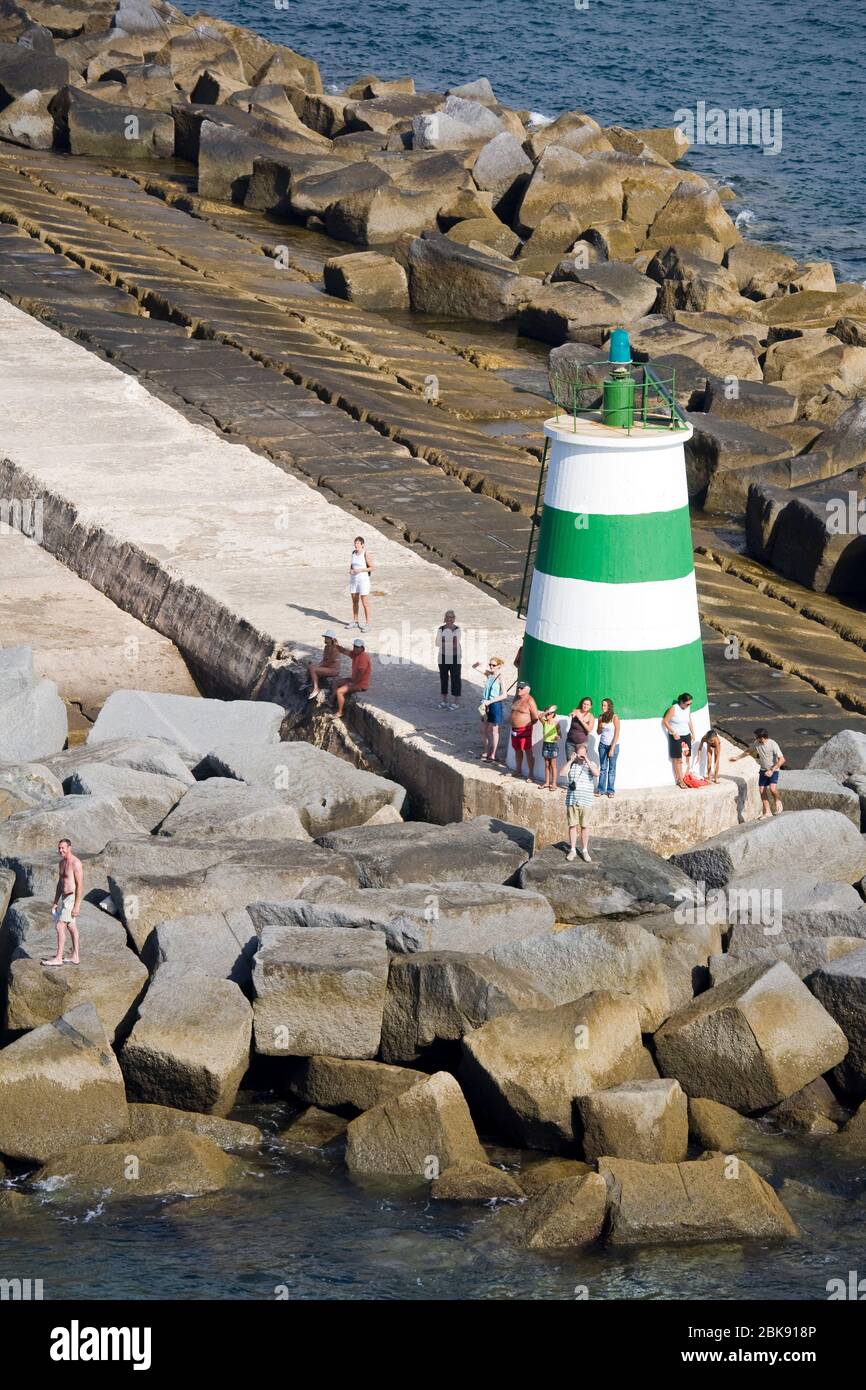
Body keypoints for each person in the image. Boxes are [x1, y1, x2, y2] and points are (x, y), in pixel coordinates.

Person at [42, 838, 83, 966]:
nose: (60, 850)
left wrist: (77, 906)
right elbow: (60, 884)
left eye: (63, 848)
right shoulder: (61, 863)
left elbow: (80, 886)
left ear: (69, 848)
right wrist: (55, 902)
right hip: (64, 898)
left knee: (60, 926)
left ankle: (58, 958)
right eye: (59, 848)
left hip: (72, 898)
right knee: (71, 927)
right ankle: (75, 956)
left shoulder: (75, 863)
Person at [733, 727, 785, 816]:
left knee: (772, 789)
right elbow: (748, 751)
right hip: (763, 770)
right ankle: (768, 812)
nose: (755, 738)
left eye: (756, 737)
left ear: (762, 737)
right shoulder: (756, 743)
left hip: (773, 770)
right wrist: (737, 758)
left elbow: (782, 759)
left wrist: (772, 770)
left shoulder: (773, 744)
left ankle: (778, 800)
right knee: (761, 790)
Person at [564, 744, 599, 862]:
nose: (581, 756)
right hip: (572, 800)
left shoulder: (591, 764)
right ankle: (572, 850)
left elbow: (596, 773)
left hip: (586, 801)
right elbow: (562, 773)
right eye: (579, 754)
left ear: (586, 753)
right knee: (572, 825)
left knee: (584, 826)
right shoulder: (572, 765)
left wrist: (587, 760)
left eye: (583, 754)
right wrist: (571, 760)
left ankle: (584, 850)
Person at [473, 656, 505, 762]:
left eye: (494, 665)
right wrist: (478, 663)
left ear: (499, 666)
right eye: (490, 664)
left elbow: (504, 695)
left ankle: (493, 754)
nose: (491, 666)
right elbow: (474, 667)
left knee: (494, 731)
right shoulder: (488, 674)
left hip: (494, 705)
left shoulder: (500, 678)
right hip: (485, 704)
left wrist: (490, 701)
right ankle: (486, 751)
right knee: (483, 730)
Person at [333, 637, 372, 718]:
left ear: (362, 648)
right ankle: (332, 701)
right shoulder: (355, 654)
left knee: (339, 691)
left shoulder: (363, 657)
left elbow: (361, 673)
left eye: (357, 647)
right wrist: (336, 645)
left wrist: (353, 683)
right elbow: (344, 651)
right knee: (337, 682)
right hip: (354, 680)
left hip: (360, 684)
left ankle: (340, 712)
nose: (355, 648)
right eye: (354, 646)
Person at [663, 692, 695, 788]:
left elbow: (689, 720)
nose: (689, 705)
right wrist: (673, 732)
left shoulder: (687, 708)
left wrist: (693, 733)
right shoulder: (674, 708)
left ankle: (686, 776)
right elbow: (665, 721)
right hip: (676, 736)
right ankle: (680, 780)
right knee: (677, 759)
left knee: (687, 756)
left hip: (686, 735)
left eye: (690, 703)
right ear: (681, 701)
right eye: (688, 703)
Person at [509, 680, 539, 781]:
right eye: (518, 687)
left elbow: (535, 717)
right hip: (514, 729)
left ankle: (531, 774)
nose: (519, 689)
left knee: (528, 751)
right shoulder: (516, 698)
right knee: (517, 749)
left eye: (521, 688)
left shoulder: (530, 701)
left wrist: (527, 726)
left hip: (525, 729)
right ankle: (518, 770)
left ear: (527, 690)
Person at [436, 610, 462, 710]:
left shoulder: (457, 629)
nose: (449, 619)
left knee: (455, 678)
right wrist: (449, 642)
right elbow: (437, 643)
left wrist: (444, 642)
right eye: (448, 616)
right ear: (445, 618)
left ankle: (456, 702)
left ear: (454, 618)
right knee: (443, 677)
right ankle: (444, 700)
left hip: (455, 657)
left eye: (451, 617)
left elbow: (455, 645)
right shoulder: (440, 628)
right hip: (442, 656)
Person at [308, 629, 342, 701]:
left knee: (313, 669)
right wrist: (318, 665)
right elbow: (324, 660)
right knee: (310, 666)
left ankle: (316, 688)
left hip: (334, 670)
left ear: (331, 639)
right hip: (327, 667)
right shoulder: (326, 647)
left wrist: (318, 666)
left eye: (327, 638)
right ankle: (310, 683)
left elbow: (329, 662)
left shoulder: (335, 648)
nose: (325, 639)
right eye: (325, 637)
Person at [596, 697, 620, 797]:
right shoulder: (601, 717)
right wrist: (600, 727)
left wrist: (612, 748)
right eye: (602, 705)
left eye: (605, 705)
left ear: (609, 706)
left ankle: (610, 790)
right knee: (603, 768)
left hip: (613, 745)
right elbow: (598, 732)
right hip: (602, 745)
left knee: (612, 769)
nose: (602, 707)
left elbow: (617, 733)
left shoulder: (614, 717)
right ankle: (601, 789)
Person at [348, 536, 373, 632]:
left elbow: (372, 567)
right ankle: (355, 621)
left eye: (358, 543)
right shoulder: (353, 553)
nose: (356, 545)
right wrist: (351, 570)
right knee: (354, 602)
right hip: (354, 580)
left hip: (363, 581)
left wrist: (361, 570)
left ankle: (368, 624)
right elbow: (352, 565)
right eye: (355, 543)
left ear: (362, 545)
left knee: (365, 603)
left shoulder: (365, 553)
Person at [540, 705, 560, 790]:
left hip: (553, 745)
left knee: (553, 765)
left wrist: (557, 737)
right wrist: (548, 711)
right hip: (545, 744)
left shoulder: (556, 723)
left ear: (553, 714)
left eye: (550, 713)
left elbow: (559, 734)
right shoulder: (544, 722)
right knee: (546, 764)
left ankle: (554, 783)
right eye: (547, 713)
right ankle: (547, 782)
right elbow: (539, 716)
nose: (548, 715)